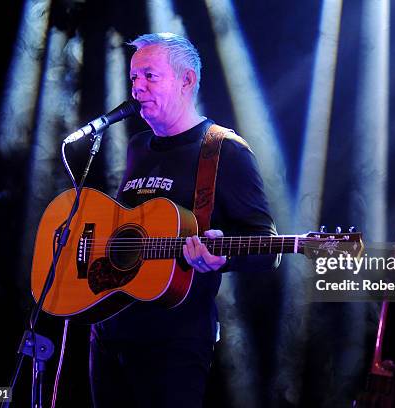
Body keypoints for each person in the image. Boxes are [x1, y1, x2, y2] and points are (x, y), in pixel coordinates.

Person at [89, 32, 280, 407]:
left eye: (149, 76)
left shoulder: (223, 149)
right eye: (133, 78)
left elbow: (266, 245)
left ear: (187, 80)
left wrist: (223, 257)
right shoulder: (137, 147)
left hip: (174, 343)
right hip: (109, 333)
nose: (137, 88)